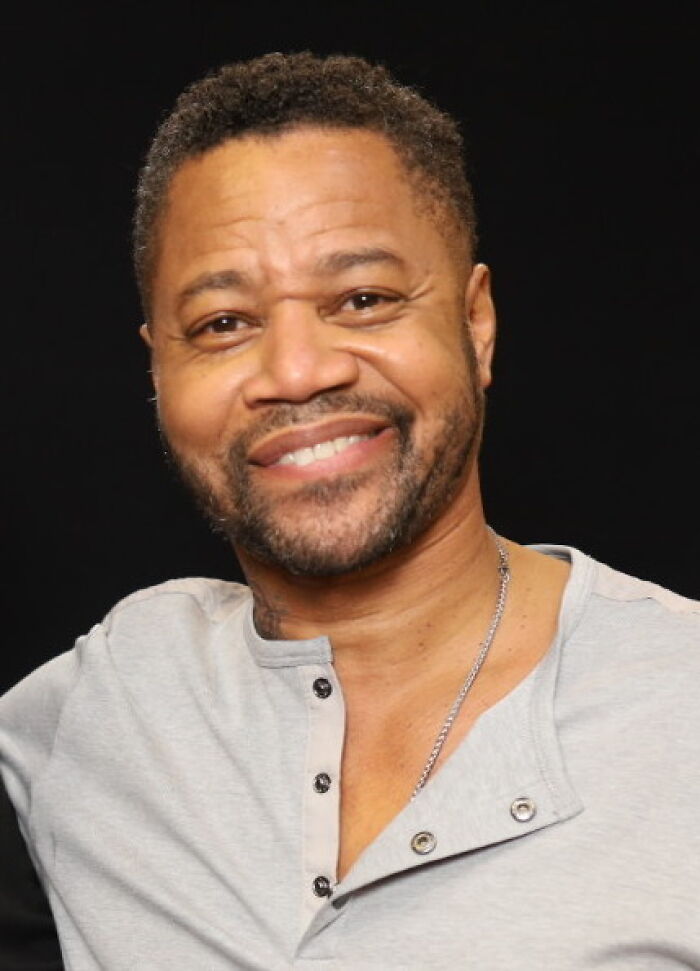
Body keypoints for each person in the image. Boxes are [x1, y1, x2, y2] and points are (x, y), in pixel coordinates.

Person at [1, 51, 699, 969]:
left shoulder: (678, 701)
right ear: (158, 367)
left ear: (476, 324)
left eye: (364, 299)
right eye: (223, 323)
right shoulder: (110, 700)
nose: (297, 371)